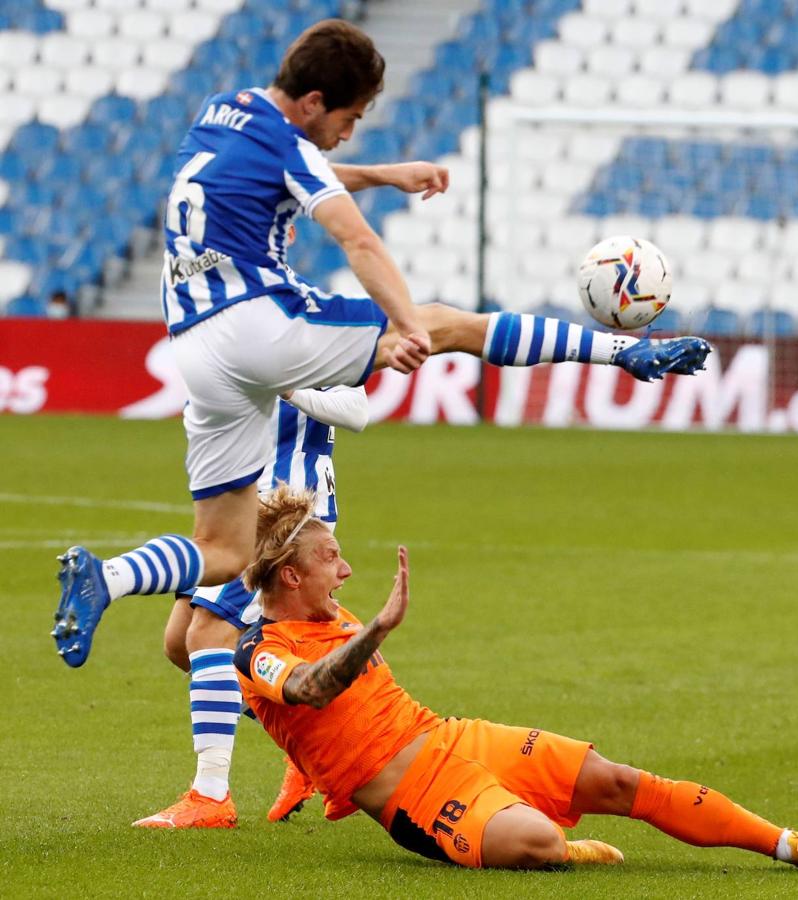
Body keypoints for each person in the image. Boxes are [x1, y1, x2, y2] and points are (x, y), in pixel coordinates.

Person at [52, 19, 711, 668]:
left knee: (224, 548)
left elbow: (291, 168)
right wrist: (408, 329)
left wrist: (382, 173)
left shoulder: (225, 110)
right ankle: (620, 352)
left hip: (194, 343)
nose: (350, 129)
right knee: (451, 325)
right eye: (352, 117)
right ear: (313, 103)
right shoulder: (295, 149)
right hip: (258, 322)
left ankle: (104, 578)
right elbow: (357, 240)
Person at [233, 486, 798, 872]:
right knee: (538, 844)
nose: (344, 569)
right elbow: (309, 688)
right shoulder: (260, 649)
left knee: (615, 779)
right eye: (329, 557)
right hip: (412, 800)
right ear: (289, 576)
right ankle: (552, 841)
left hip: (454, 740)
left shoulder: (329, 611)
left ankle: (790, 845)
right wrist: (379, 631)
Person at [132, 384, 366, 829]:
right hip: (237, 507)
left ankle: (211, 795)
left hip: (284, 513)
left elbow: (355, 410)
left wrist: (286, 384)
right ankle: (304, 747)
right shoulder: (241, 335)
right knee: (180, 645)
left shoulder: (315, 334)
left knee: (208, 633)